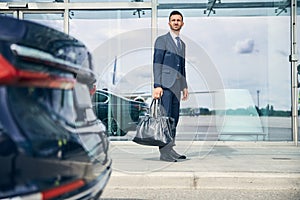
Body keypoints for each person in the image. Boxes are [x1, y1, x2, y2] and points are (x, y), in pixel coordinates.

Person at [153, 10, 189, 162]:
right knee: (166, 119)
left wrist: (184, 86)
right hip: (165, 86)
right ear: (169, 23)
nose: (175, 22)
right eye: (173, 20)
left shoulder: (182, 45)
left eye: (178, 20)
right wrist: (157, 85)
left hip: (177, 87)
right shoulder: (162, 40)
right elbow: (157, 63)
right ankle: (164, 152)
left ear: (182, 23)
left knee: (174, 118)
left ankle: (170, 148)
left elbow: (182, 67)